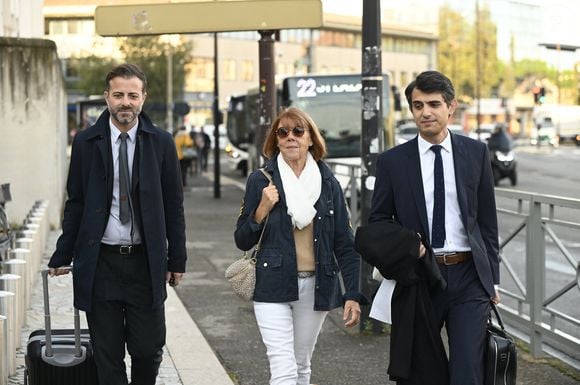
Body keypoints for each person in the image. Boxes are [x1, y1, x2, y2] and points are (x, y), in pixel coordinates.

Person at [48, 63, 187, 385]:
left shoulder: (161, 143)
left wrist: (176, 259)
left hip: (144, 263)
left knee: (148, 348)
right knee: (107, 354)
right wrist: (62, 253)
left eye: (133, 96)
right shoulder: (86, 142)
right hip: (101, 263)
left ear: (143, 98)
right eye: (119, 95)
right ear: (107, 97)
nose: (126, 102)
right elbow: (77, 202)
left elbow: (173, 206)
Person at [369, 70, 501, 385]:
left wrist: (492, 280)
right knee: (421, 373)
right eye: (417, 106)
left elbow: (487, 222)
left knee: (467, 370)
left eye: (433, 104)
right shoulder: (393, 162)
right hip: (420, 277)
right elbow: (378, 222)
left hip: (469, 276)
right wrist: (407, 245)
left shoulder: (475, 153)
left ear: (450, 107)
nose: (425, 112)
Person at [234, 107, 367, 385]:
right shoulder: (261, 180)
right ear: (276, 139)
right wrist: (261, 209)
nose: (290, 137)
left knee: (301, 366)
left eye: (298, 131)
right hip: (272, 283)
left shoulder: (328, 183)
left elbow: (345, 244)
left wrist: (352, 293)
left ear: (310, 139)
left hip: (316, 285)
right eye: (283, 132)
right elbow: (242, 239)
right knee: (283, 370)